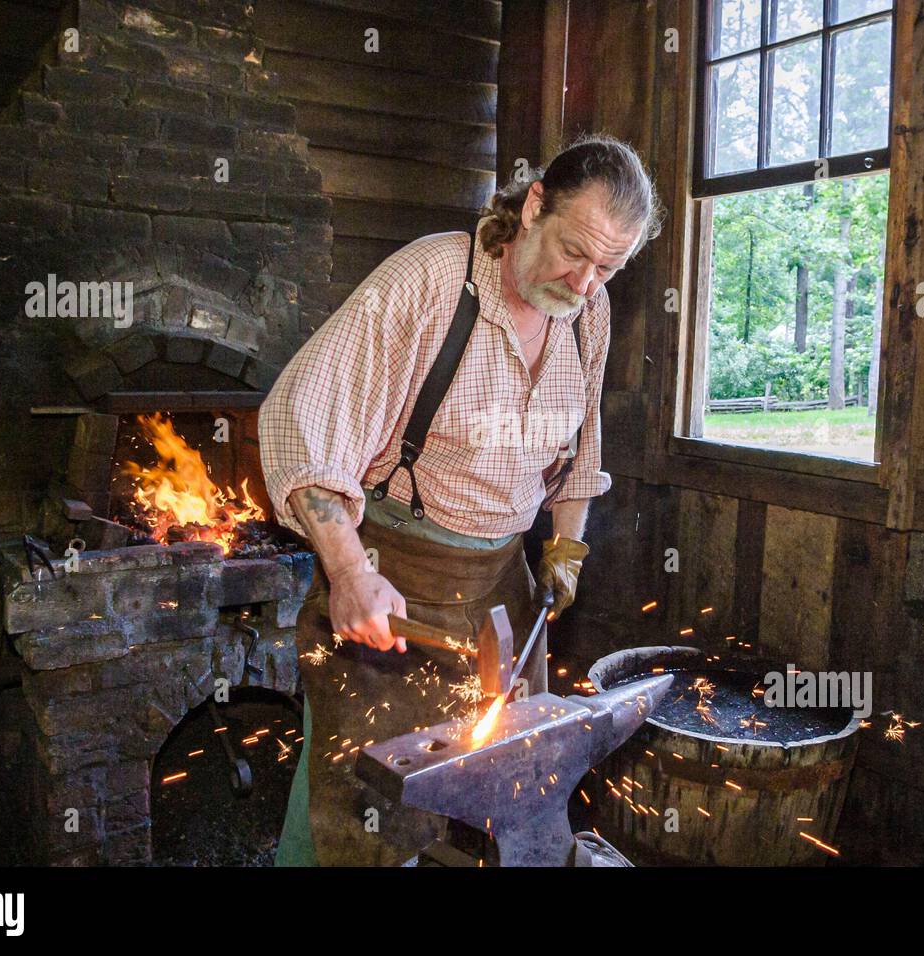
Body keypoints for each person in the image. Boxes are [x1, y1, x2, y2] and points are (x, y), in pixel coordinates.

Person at [259, 133, 663, 866]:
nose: (584, 284)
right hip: (395, 585)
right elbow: (298, 423)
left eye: (610, 267)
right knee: (360, 811)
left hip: (503, 597)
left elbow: (583, 450)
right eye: (575, 251)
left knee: (499, 803)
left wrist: (566, 548)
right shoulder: (432, 282)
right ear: (535, 203)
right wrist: (349, 573)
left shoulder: (588, 315)